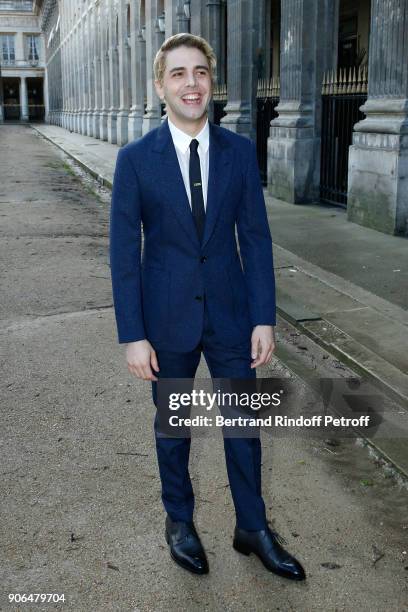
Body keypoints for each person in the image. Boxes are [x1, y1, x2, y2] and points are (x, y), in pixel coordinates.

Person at [109, 33, 305, 581]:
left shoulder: (239, 152)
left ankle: (252, 527)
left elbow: (257, 239)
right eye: (178, 73)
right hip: (165, 320)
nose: (191, 83)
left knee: (244, 425)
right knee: (174, 426)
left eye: (200, 72)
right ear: (160, 85)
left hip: (232, 315)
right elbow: (125, 255)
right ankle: (180, 522)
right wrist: (133, 333)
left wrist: (263, 316)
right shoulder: (135, 161)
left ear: (211, 82)